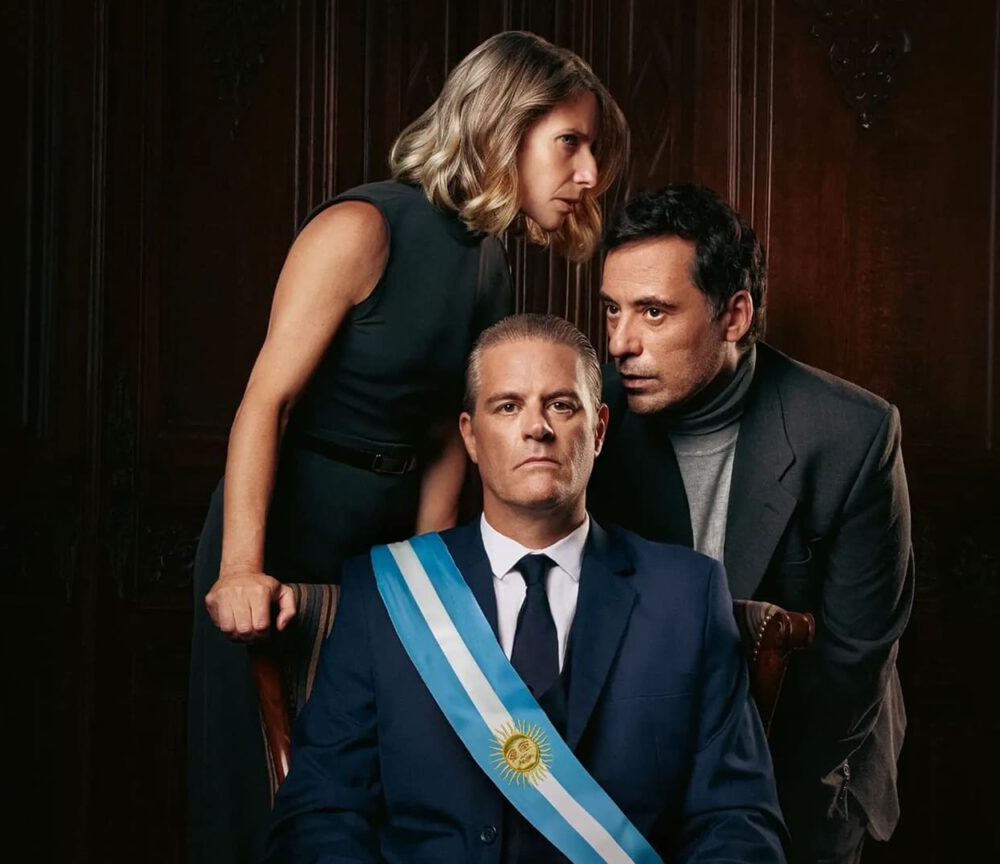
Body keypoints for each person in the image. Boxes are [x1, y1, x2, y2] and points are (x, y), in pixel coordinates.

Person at [188, 32, 630, 863]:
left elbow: (443, 440)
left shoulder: (490, 261)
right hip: (278, 531)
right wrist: (241, 567)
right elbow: (265, 404)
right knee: (255, 807)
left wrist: (430, 581)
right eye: (570, 142)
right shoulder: (362, 228)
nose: (589, 174)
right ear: (502, 126)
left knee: (373, 794)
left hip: (383, 544)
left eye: (593, 150)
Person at [266, 314, 786, 863]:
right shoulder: (385, 595)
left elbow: (738, 821)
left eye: (561, 405)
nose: (537, 427)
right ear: (470, 435)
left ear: (599, 430)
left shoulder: (686, 597)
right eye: (508, 406)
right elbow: (320, 813)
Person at [588, 184, 913, 863]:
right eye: (613, 309)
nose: (619, 343)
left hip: (808, 765)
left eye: (653, 312)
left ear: (734, 315)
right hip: (638, 765)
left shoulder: (853, 433)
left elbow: (854, 659)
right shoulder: (591, 420)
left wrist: (740, 802)